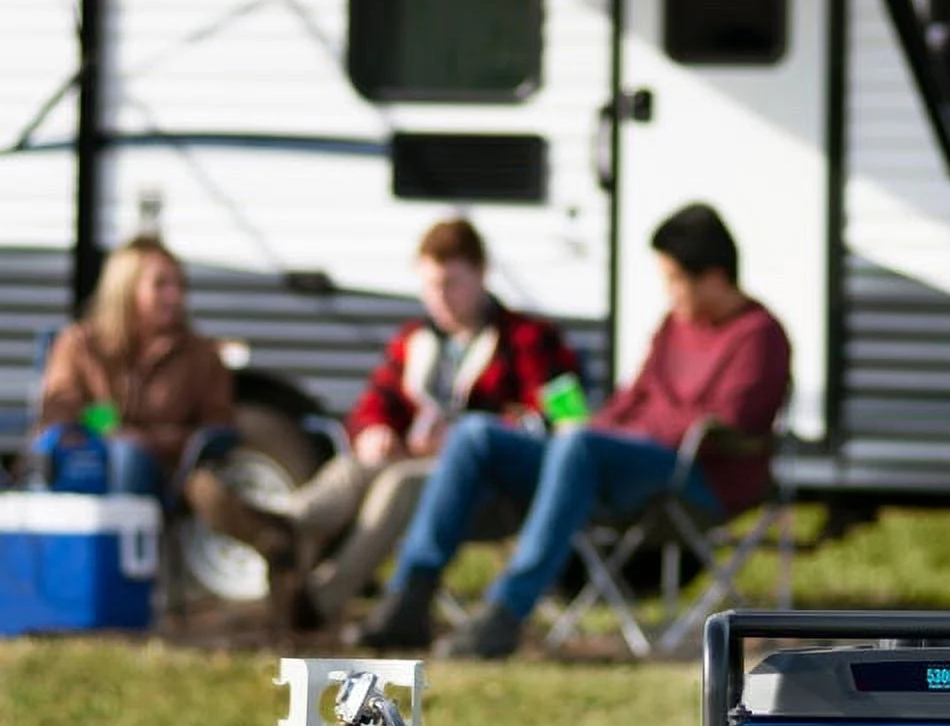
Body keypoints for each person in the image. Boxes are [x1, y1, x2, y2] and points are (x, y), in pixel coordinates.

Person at [350, 202, 792, 659]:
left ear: (714, 278)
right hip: (616, 461)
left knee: (579, 444)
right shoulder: (674, 325)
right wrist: (595, 427)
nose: (668, 292)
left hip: (697, 478)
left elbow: (732, 420)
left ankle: (505, 612)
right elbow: (632, 397)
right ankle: (410, 595)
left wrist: (611, 434)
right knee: (476, 434)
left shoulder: (759, 335)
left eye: (674, 279)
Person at [279, 218, 580, 629]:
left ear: (481, 274)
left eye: (451, 284)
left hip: (486, 486)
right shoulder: (414, 341)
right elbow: (374, 403)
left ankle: (319, 601)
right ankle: (280, 526)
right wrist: (375, 429)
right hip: (413, 457)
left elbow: (569, 421)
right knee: (350, 470)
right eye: (430, 286)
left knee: (397, 484)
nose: (440, 298)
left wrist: (470, 435)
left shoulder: (530, 338)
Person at [35, 235, 298, 619]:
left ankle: (131, 582)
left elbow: (217, 423)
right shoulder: (80, 343)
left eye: (179, 285)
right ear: (125, 288)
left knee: (155, 466)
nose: (175, 296)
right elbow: (62, 407)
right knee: (124, 453)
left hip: (173, 469)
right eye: (161, 285)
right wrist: (111, 429)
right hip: (88, 465)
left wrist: (155, 440)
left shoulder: (200, 354)